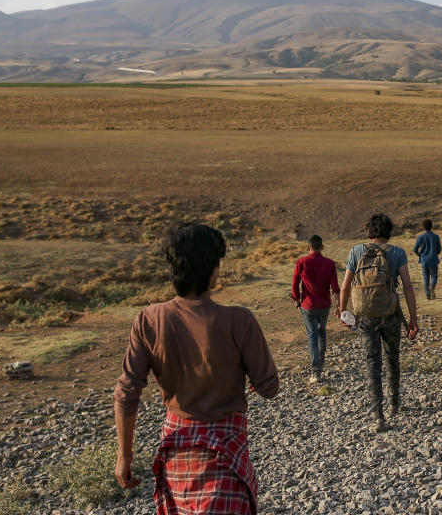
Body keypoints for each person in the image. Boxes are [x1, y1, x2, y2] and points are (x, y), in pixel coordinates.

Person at [113, 222, 279, 515]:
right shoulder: (239, 321)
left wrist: (124, 455)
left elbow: (126, 393)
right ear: (212, 270)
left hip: (177, 456)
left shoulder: (148, 319)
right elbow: (269, 388)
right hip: (226, 459)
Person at [337, 213, 419, 432]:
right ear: (389, 232)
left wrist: (343, 312)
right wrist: (413, 318)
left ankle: (378, 417)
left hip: (365, 316)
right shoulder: (398, 253)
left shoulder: (356, 251)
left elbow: (345, 286)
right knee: (392, 357)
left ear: (369, 232)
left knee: (372, 363)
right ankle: (394, 403)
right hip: (391, 313)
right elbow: (408, 287)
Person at [290, 234, 340, 383]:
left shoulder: (301, 262)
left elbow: (294, 284)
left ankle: (316, 372)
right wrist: (339, 306)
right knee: (321, 332)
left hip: (308, 305)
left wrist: (297, 300)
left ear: (308, 247)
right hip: (324, 305)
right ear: (322, 247)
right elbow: (335, 288)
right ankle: (320, 363)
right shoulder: (330, 263)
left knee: (312, 336)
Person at [412, 219, 442, 300]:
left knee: (426, 276)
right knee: (434, 276)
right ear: (431, 226)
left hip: (424, 260)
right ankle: (431, 287)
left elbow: (415, 249)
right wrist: (434, 254)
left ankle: (427, 294)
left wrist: (420, 256)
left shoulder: (420, 237)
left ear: (423, 227)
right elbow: (439, 249)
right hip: (433, 259)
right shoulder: (436, 237)